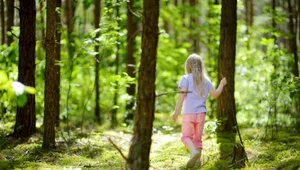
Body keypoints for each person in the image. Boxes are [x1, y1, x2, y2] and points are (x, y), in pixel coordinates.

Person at [172, 53, 227, 168]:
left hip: (188, 112)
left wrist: (176, 111)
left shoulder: (186, 78)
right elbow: (216, 94)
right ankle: (198, 163)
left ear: (188, 66)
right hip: (201, 114)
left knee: (186, 137)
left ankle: (193, 152)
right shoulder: (205, 80)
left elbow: (182, 95)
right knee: (197, 138)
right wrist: (222, 84)